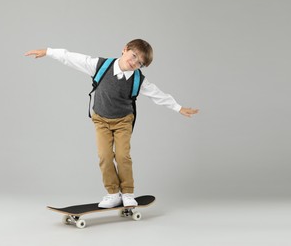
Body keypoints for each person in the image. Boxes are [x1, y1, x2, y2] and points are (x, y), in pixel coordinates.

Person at [25, 39, 199, 208]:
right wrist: (48, 52)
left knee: (123, 156)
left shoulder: (138, 79)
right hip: (101, 119)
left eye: (140, 63)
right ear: (124, 49)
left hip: (123, 121)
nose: (134, 63)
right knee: (105, 156)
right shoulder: (100, 66)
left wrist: (178, 107)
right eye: (133, 56)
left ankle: (128, 193)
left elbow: (157, 94)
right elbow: (71, 57)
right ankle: (113, 194)